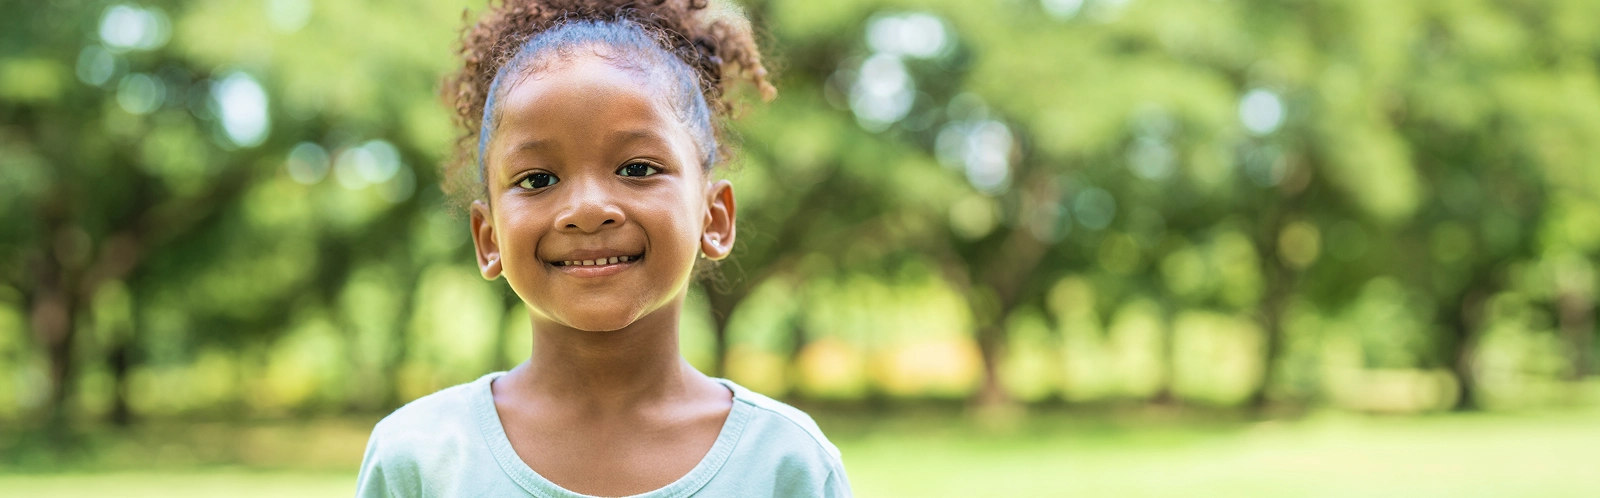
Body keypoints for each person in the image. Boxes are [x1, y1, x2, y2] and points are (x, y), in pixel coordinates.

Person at [354, 0, 851, 496]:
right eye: (538, 179)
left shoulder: (789, 464)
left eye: (638, 168)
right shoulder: (419, 459)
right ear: (488, 239)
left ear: (713, 217)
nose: (588, 209)